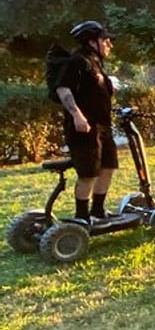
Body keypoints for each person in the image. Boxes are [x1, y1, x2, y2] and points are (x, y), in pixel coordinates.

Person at [54, 21, 118, 224]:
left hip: (103, 126)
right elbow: (63, 89)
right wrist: (77, 115)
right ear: (92, 41)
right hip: (83, 128)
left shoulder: (96, 61)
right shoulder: (78, 61)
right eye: (105, 40)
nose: (110, 44)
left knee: (108, 168)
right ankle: (82, 218)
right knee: (88, 174)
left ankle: (98, 211)